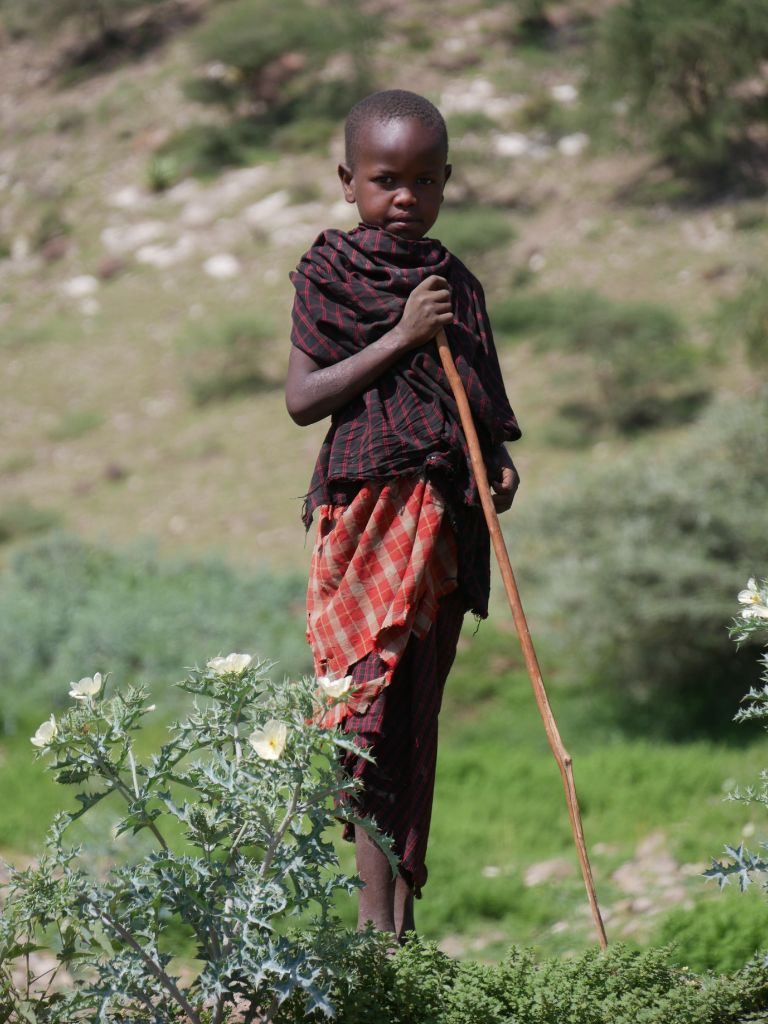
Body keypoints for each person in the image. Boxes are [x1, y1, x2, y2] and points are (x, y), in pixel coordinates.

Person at [285, 89, 521, 941]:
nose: (405, 197)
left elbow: (479, 412)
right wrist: (399, 336)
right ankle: (370, 936)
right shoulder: (330, 273)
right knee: (366, 716)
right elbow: (303, 399)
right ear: (347, 181)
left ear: (447, 181)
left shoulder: (458, 287)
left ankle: (400, 937)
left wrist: (495, 466)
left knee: (415, 720)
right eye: (387, 180)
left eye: (425, 180)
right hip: (366, 522)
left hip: (442, 534)